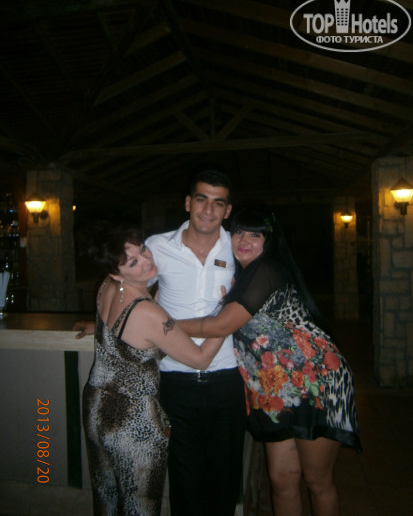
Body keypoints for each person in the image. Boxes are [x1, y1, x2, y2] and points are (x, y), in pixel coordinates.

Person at [75, 168, 247, 516]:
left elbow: (137, 294)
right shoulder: (157, 246)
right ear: (188, 203)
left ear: (228, 210)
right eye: (201, 199)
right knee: (184, 478)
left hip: (225, 377)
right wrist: (227, 314)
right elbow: (139, 294)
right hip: (173, 380)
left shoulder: (239, 248)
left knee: (225, 478)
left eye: (218, 203)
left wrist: (107, 324)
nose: (208, 210)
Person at [177, 206, 362, 516]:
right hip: (274, 390)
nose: (244, 240)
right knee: (281, 479)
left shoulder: (266, 270)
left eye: (256, 235)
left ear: (269, 240)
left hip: (316, 383)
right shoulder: (240, 276)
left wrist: (160, 324)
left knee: (316, 480)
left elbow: (220, 325)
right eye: (238, 232)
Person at [81, 224, 225, 516]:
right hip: (132, 421)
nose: (147, 260)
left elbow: (128, 335)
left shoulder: (106, 288)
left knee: (107, 498)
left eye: (143, 249)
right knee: (140, 507)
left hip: (96, 407)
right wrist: (225, 313)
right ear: (116, 273)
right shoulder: (148, 313)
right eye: (133, 262)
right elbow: (199, 359)